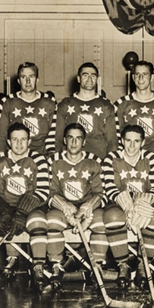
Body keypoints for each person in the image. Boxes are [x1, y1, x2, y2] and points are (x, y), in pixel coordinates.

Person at [0, 123, 49, 282]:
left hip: (30, 207)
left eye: (23, 140)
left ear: (29, 141)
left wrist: (21, 213)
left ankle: (38, 266)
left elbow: (42, 191)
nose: (19, 144)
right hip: (4, 206)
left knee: (37, 221)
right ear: (8, 141)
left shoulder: (38, 159)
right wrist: (4, 211)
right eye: (15, 139)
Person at [100, 125, 154, 289]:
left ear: (142, 142)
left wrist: (140, 203)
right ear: (122, 141)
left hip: (143, 204)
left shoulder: (150, 158)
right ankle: (123, 265)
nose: (132, 146)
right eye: (128, 141)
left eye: (136, 141)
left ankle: (143, 265)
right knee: (113, 217)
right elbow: (109, 188)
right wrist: (129, 208)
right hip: (118, 203)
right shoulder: (111, 158)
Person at [40, 123, 104, 293]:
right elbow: (48, 193)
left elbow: (100, 193)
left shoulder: (94, 162)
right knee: (51, 219)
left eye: (78, 138)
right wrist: (64, 205)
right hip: (63, 208)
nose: (74, 142)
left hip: (87, 209)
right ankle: (56, 266)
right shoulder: (53, 161)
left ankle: (97, 267)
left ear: (84, 142)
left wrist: (87, 207)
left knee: (101, 222)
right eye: (70, 138)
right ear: (64, 140)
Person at [54, 63, 118, 161]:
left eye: (93, 76)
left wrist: (108, 163)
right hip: (71, 161)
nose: (89, 79)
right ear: (78, 79)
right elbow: (58, 139)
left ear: (97, 79)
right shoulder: (65, 104)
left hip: (98, 160)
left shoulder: (106, 105)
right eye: (85, 75)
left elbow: (112, 141)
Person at [0, 62, 57, 158]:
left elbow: (53, 135)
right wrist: (1, 156)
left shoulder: (49, 101)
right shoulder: (7, 101)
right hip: (14, 157)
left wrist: (51, 155)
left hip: (41, 156)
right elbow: (0, 134)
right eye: (23, 77)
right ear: (18, 81)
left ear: (37, 79)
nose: (27, 81)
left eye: (31, 76)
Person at [114, 61, 154, 157]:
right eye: (137, 74)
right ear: (133, 77)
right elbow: (118, 136)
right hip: (132, 158)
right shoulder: (121, 104)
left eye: (145, 74)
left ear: (152, 77)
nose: (140, 78)